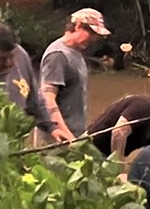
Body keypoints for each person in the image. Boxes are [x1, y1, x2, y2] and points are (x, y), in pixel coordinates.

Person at [38, 8, 109, 142]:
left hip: (74, 134)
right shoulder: (58, 55)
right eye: (91, 33)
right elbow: (47, 99)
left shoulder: (75, 52)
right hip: (58, 139)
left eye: (96, 35)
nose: (94, 39)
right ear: (78, 26)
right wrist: (68, 136)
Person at [0, 23, 53, 138]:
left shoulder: (21, 55)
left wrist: (51, 127)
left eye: (12, 56)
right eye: (1, 59)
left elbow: (34, 101)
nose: (9, 63)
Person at [86, 89, 150, 158]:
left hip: (102, 156)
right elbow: (119, 132)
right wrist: (119, 169)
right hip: (90, 153)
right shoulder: (143, 106)